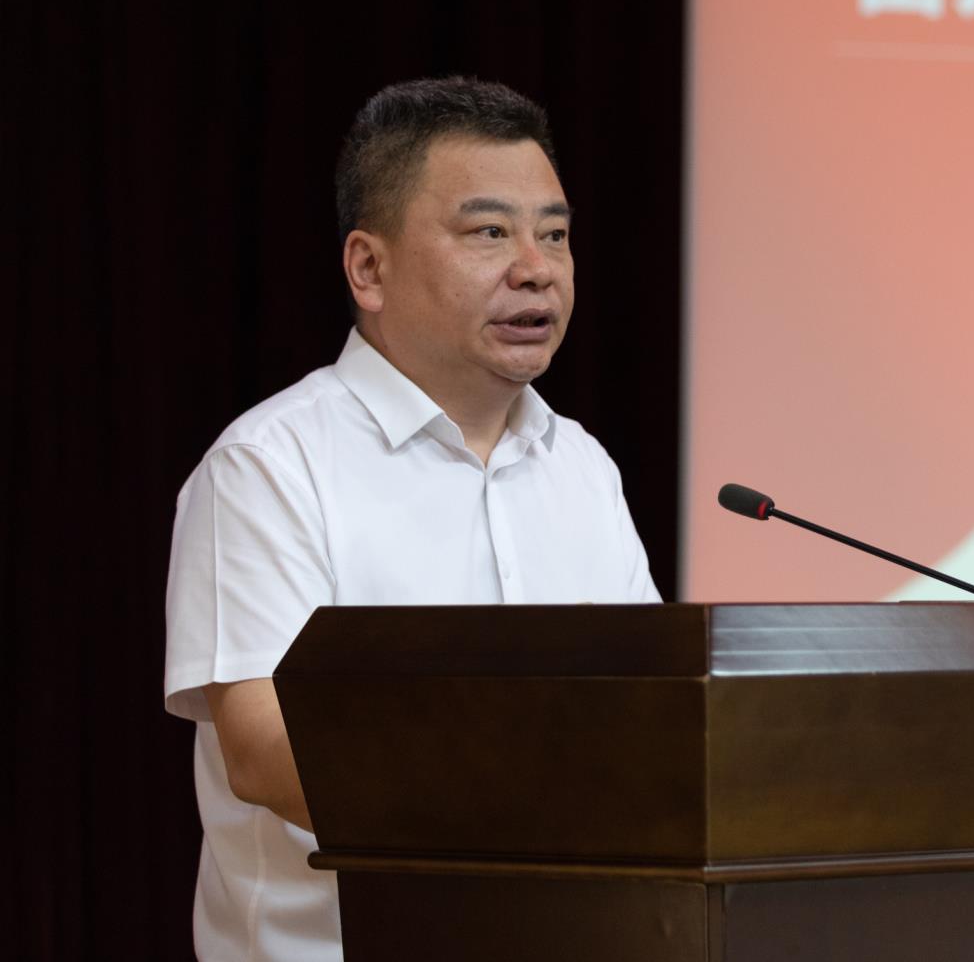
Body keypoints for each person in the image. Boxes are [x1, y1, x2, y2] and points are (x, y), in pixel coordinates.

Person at [163, 76, 661, 962]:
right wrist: (541, 789)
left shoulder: (582, 467)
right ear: (369, 268)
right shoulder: (270, 465)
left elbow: (656, 716)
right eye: (489, 232)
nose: (536, 267)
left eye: (554, 233)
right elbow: (268, 748)